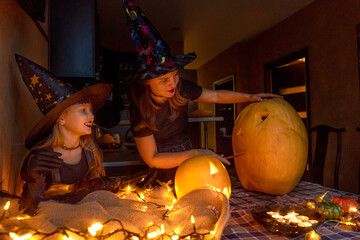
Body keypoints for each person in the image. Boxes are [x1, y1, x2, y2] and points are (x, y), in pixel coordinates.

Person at [123, 0, 282, 182]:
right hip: (162, 166)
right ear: (146, 83)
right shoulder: (140, 110)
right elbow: (153, 158)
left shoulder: (181, 88)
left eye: (175, 75)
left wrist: (250, 97)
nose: (173, 83)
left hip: (188, 152)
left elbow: (215, 95)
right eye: (164, 80)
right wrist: (197, 153)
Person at [14, 54, 114, 214]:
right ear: (61, 119)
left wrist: (101, 186)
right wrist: (34, 181)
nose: (91, 116)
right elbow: (27, 210)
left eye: (90, 110)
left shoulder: (90, 154)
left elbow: (96, 199)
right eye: (82, 111)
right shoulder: (41, 158)